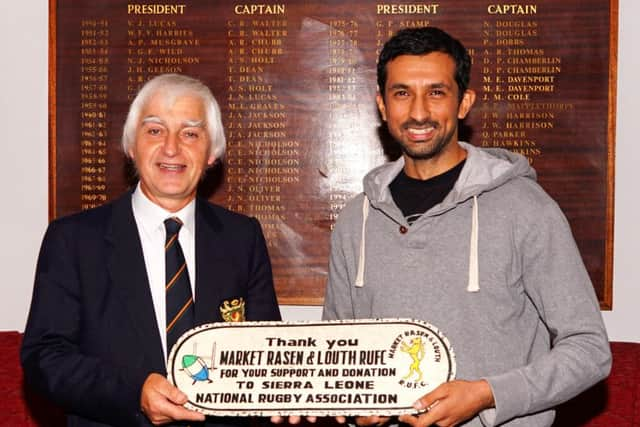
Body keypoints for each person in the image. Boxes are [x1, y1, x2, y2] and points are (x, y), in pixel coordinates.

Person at [322, 27, 611, 427]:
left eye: (436, 92)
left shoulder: (526, 208)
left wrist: (486, 394)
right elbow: (337, 356)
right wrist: (351, 406)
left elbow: (590, 349)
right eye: (402, 93)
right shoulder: (356, 219)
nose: (419, 112)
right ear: (382, 106)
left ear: (464, 103)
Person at [21, 73, 281, 426]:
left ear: (211, 155)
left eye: (190, 133)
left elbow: (267, 354)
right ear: (131, 146)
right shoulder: (73, 240)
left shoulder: (242, 238)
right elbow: (45, 358)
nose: (172, 148)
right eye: (155, 131)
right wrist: (133, 393)